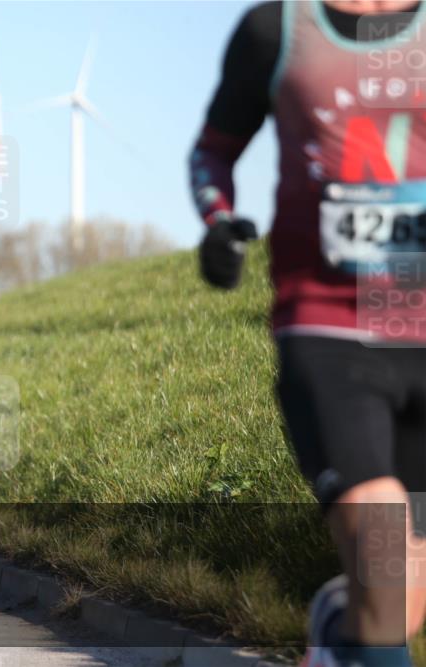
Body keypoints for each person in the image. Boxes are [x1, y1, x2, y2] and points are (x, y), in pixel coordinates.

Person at [190, 2, 425, 665]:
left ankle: (333, 631)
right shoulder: (278, 30)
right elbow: (214, 150)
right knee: (386, 564)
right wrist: (219, 220)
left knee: (398, 604)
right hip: (329, 332)